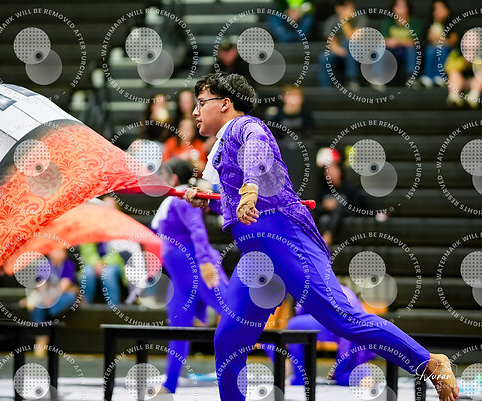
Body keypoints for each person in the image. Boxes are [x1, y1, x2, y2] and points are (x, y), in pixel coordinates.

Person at [183, 72, 458, 401]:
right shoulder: (219, 148)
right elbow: (236, 206)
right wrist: (208, 202)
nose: (195, 112)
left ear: (225, 103)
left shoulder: (246, 126)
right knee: (228, 339)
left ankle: (429, 362)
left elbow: (256, 152)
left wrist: (250, 187)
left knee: (341, 318)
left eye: (201, 103)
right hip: (257, 257)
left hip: (286, 238)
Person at [151, 158, 229, 394]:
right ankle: (170, 384)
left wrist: (204, 262)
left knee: (236, 314)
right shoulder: (173, 199)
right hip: (181, 278)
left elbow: (198, 230)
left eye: (164, 173)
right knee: (178, 329)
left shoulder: (183, 197)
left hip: (198, 269)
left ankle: (279, 358)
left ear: (174, 177)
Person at [315, 147, 364, 245]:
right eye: (327, 171)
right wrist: (324, 206)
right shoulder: (323, 190)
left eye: (333, 169)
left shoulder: (349, 189)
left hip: (345, 213)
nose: (331, 173)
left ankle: (329, 235)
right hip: (328, 215)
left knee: (342, 200)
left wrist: (337, 204)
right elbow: (317, 207)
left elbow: (357, 207)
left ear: (339, 170)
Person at [319, 0, 368, 89]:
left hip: (359, 53)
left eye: (347, 6)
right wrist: (342, 51)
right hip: (341, 53)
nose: (344, 9)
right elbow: (332, 44)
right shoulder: (331, 21)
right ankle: (325, 90)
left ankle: (352, 79)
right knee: (324, 57)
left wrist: (344, 22)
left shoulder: (361, 19)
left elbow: (353, 38)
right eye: (341, 6)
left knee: (348, 43)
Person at [420, 0, 458, 88]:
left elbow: (452, 42)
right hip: (433, 47)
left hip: (448, 49)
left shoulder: (454, 23)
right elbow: (423, 39)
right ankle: (428, 77)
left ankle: (441, 77)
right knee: (430, 49)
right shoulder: (430, 24)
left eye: (441, 8)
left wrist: (440, 38)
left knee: (441, 49)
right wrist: (430, 37)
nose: (438, 11)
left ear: (447, 10)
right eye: (436, 9)